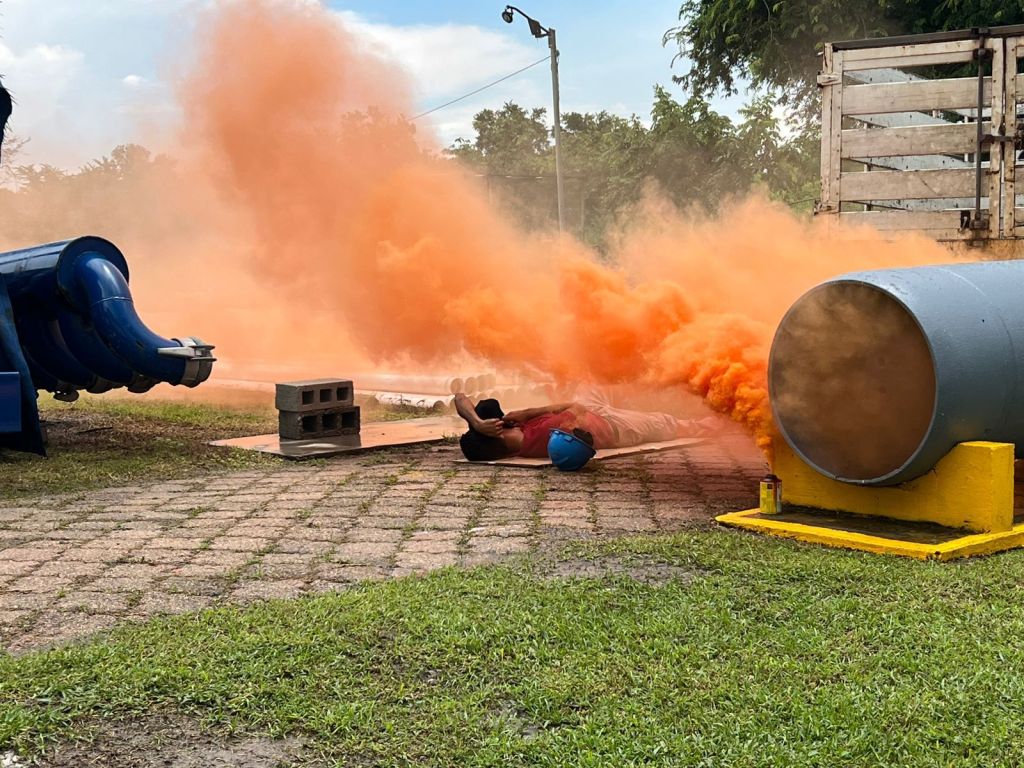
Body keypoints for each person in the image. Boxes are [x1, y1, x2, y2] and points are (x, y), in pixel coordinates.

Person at [455, 388, 720, 462]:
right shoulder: (546, 439)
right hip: (615, 426)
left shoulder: (512, 434)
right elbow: (575, 408)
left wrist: (477, 423)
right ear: (500, 433)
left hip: (595, 411)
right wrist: (529, 411)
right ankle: (721, 424)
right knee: (668, 423)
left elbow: (459, 396)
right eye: (497, 420)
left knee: (597, 368)